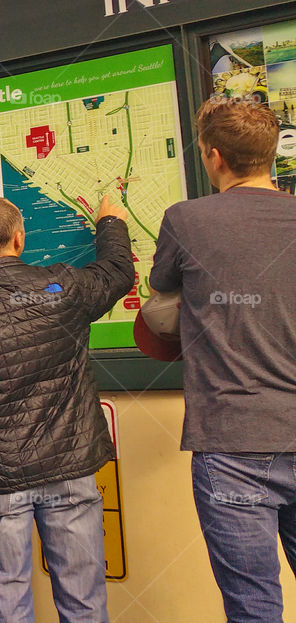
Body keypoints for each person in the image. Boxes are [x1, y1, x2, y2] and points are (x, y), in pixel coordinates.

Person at [0, 196, 133, 623]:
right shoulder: (63, 287)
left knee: (5, 603)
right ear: (20, 238)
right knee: (84, 601)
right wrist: (109, 222)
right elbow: (117, 273)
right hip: (70, 471)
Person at [149, 96, 296, 623]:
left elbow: (160, 299)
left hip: (232, 445)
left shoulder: (186, 220)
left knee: (253, 606)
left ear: (213, 156)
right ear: (271, 153)